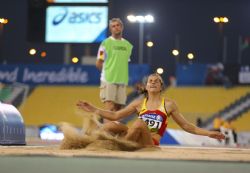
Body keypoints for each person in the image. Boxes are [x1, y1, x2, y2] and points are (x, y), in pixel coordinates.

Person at [77, 73, 225, 147]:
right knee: (113, 125)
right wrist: (93, 109)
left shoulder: (169, 104)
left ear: (161, 87)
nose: (153, 82)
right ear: (146, 87)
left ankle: (121, 147)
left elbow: (187, 126)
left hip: (150, 142)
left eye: (156, 81)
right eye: (150, 81)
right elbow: (115, 115)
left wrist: (209, 133)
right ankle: (89, 143)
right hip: (133, 136)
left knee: (140, 124)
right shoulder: (138, 103)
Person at [96, 18, 133, 114]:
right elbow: (99, 62)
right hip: (108, 79)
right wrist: (106, 74)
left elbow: (124, 62)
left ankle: (114, 129)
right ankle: (107, 129)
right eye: (113, 26)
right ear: (110, 29)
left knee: (119, 109)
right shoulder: (105, 43)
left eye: (118, 25)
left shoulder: (128, 45)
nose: (116, 28)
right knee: (109, 108)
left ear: (122, 27)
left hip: (122, 80)